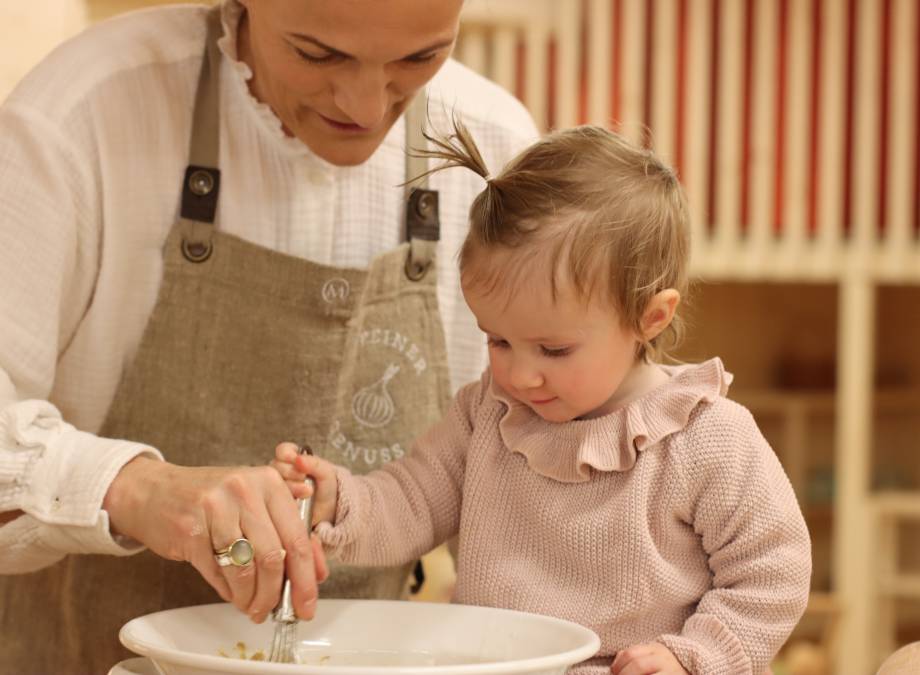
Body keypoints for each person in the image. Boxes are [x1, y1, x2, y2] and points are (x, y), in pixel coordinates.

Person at [0, 0, 538, 671]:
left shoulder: (493, 144)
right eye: (318, 54)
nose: (367, 108)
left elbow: (526, 469)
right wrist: (136, 489)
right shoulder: (85, 113)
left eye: (418, 58)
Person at [272, 122, 813, 675]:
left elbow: (772, 571)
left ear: (649, 318)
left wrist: (694, 658)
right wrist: (338, 502)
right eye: (498, 340)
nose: (520, 375)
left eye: (553, 349)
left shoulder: (708, 436)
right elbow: (411, 501)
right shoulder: (488, 413)